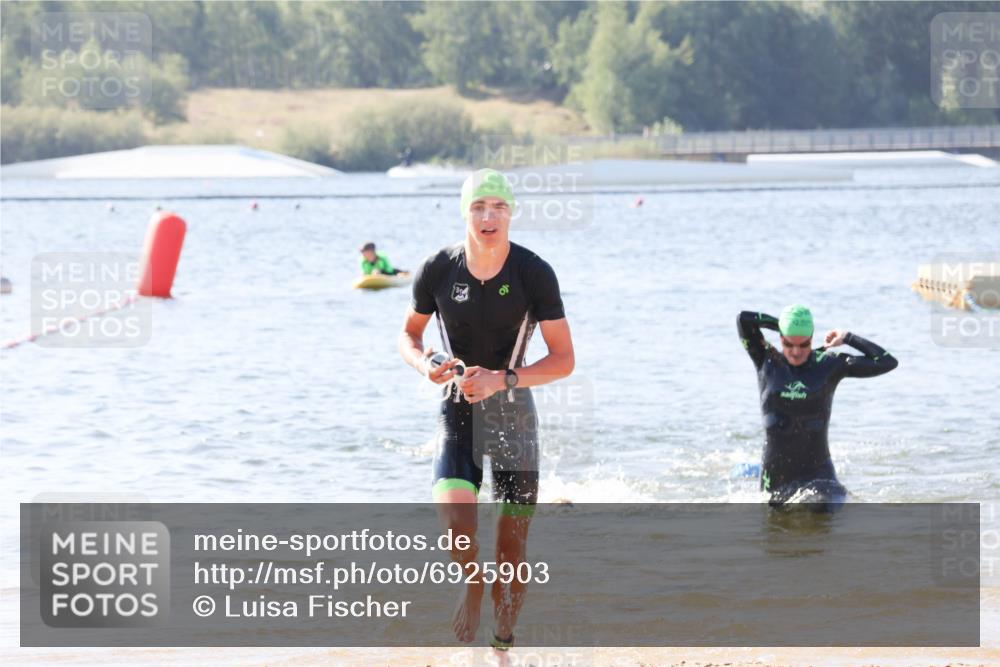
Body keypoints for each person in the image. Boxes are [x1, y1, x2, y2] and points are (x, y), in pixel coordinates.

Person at [398, 169, 574, 653]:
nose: (488, 215)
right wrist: (425, 364)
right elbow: (409, 336)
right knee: (455, 524)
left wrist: (502, 379)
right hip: (458, 408)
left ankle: (501, 644)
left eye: (497, 206)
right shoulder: (438, 268)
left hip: (514, 414)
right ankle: (472, 582)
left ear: (511, 213)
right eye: (478, 206)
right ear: (465, 213)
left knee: (512, 548)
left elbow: (564, 359)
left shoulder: (534, 273)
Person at [737, 304, 898, 509]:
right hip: (775, 474)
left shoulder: (828, 364)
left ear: (812, 339)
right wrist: (784, 324)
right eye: (789, 344)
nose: (796, 352)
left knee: (822, 513)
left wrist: (847, 337)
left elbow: (886, 362)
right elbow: (743, 319)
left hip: (818, 474)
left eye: (803, 344)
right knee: (775, 533)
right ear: (781, 338)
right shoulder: (766, 360)